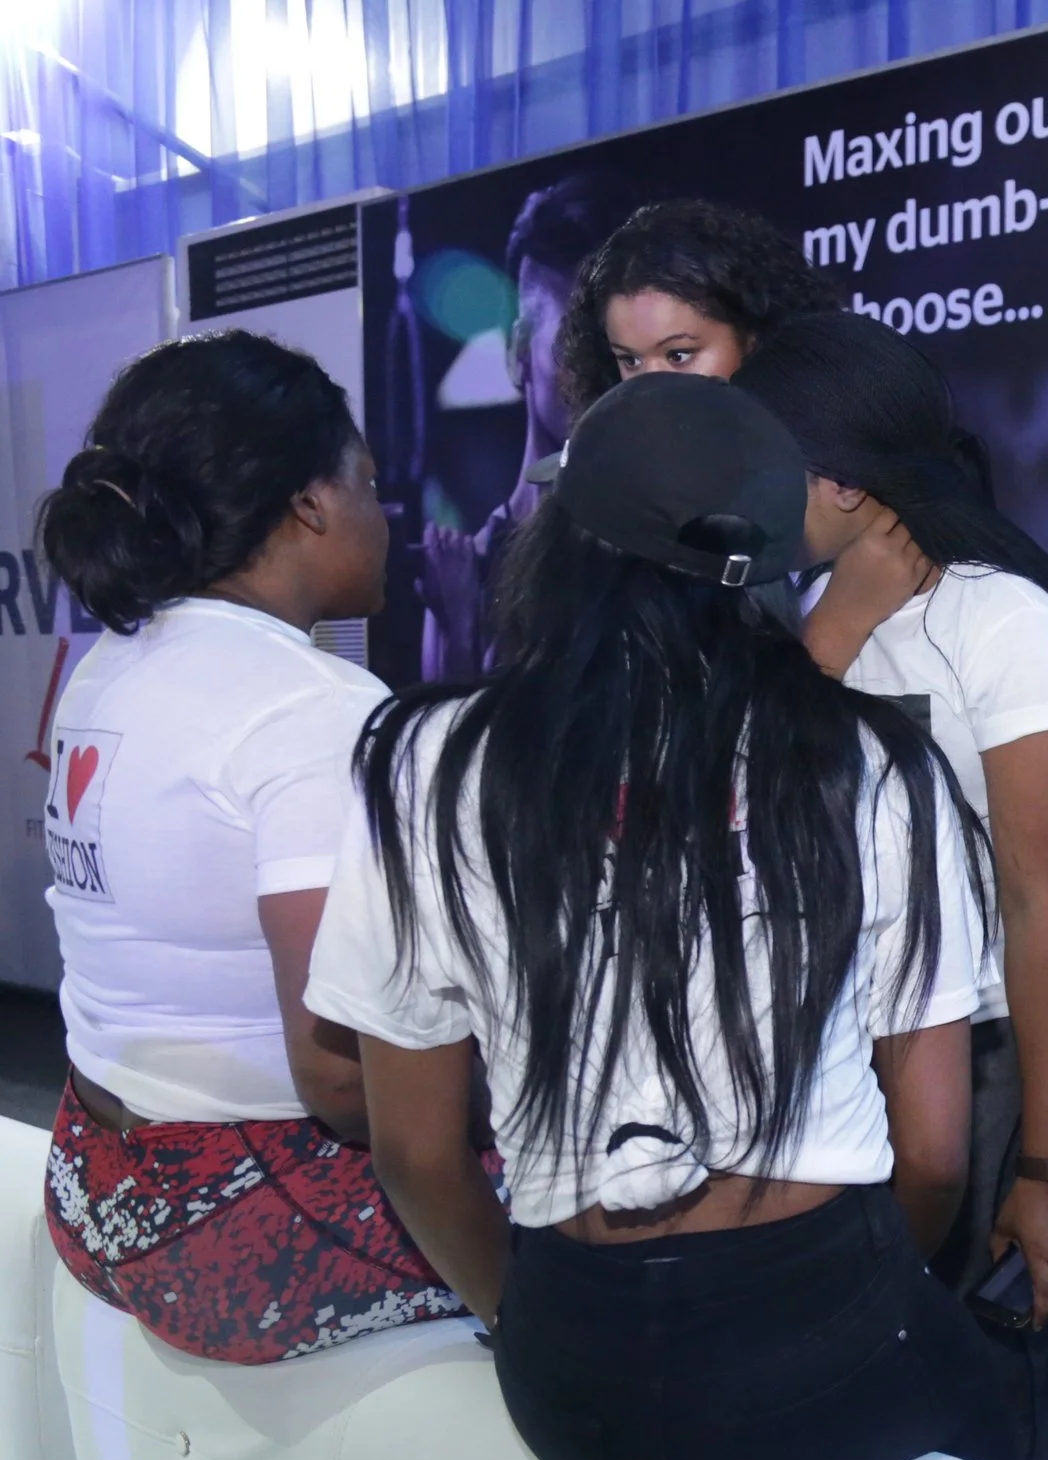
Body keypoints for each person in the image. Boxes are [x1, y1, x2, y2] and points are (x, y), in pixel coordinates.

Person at [301, 374, 1042, 1460]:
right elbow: (938, 1154)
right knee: (1018, 1453)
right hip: (823, 1339)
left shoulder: (425, 763)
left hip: (570, 1370)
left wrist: (526, 1318)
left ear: (560, 542)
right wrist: (852, 1303)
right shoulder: (874, 763)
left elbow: (416, 1151)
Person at [736, 309, 1048, 1460]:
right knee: (873, 1359)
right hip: (857, 1047)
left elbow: (1042, 911)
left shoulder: (1004, 623)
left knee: (997, 1377)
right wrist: (833, 635)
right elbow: (737, 816)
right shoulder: (804, 613)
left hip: (1005, 1052)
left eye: (763, 459)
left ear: (843, 478)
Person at [33, 331, 476, 1364]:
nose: (384, 514)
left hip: (94, 1178)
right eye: (369, 483)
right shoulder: (313, 707)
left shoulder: (108, 665)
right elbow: (340, 1080)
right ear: (311, 503)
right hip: (238, 1226)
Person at [416, 172, 638, 680]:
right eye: (573, 343)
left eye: (617, 347)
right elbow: (443, 727)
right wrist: (460, 633)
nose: (600, 370)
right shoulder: (466, 575)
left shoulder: (657, 553)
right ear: (519, 352)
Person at [556, 198, 841, 405]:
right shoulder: (604, 469)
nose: (650, 390)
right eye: (631, 361)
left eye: (678, 356)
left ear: (754, 341)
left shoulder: (826, 465)